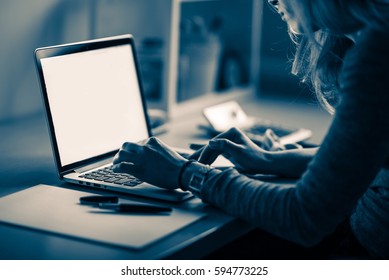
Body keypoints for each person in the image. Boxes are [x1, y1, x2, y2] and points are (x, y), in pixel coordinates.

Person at [113, 0, 389, 259]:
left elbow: (304, 216)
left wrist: (188, 174)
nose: (271, 1)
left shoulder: (376, 55)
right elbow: (363, 160)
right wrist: (269, 159)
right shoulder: (375, 36)